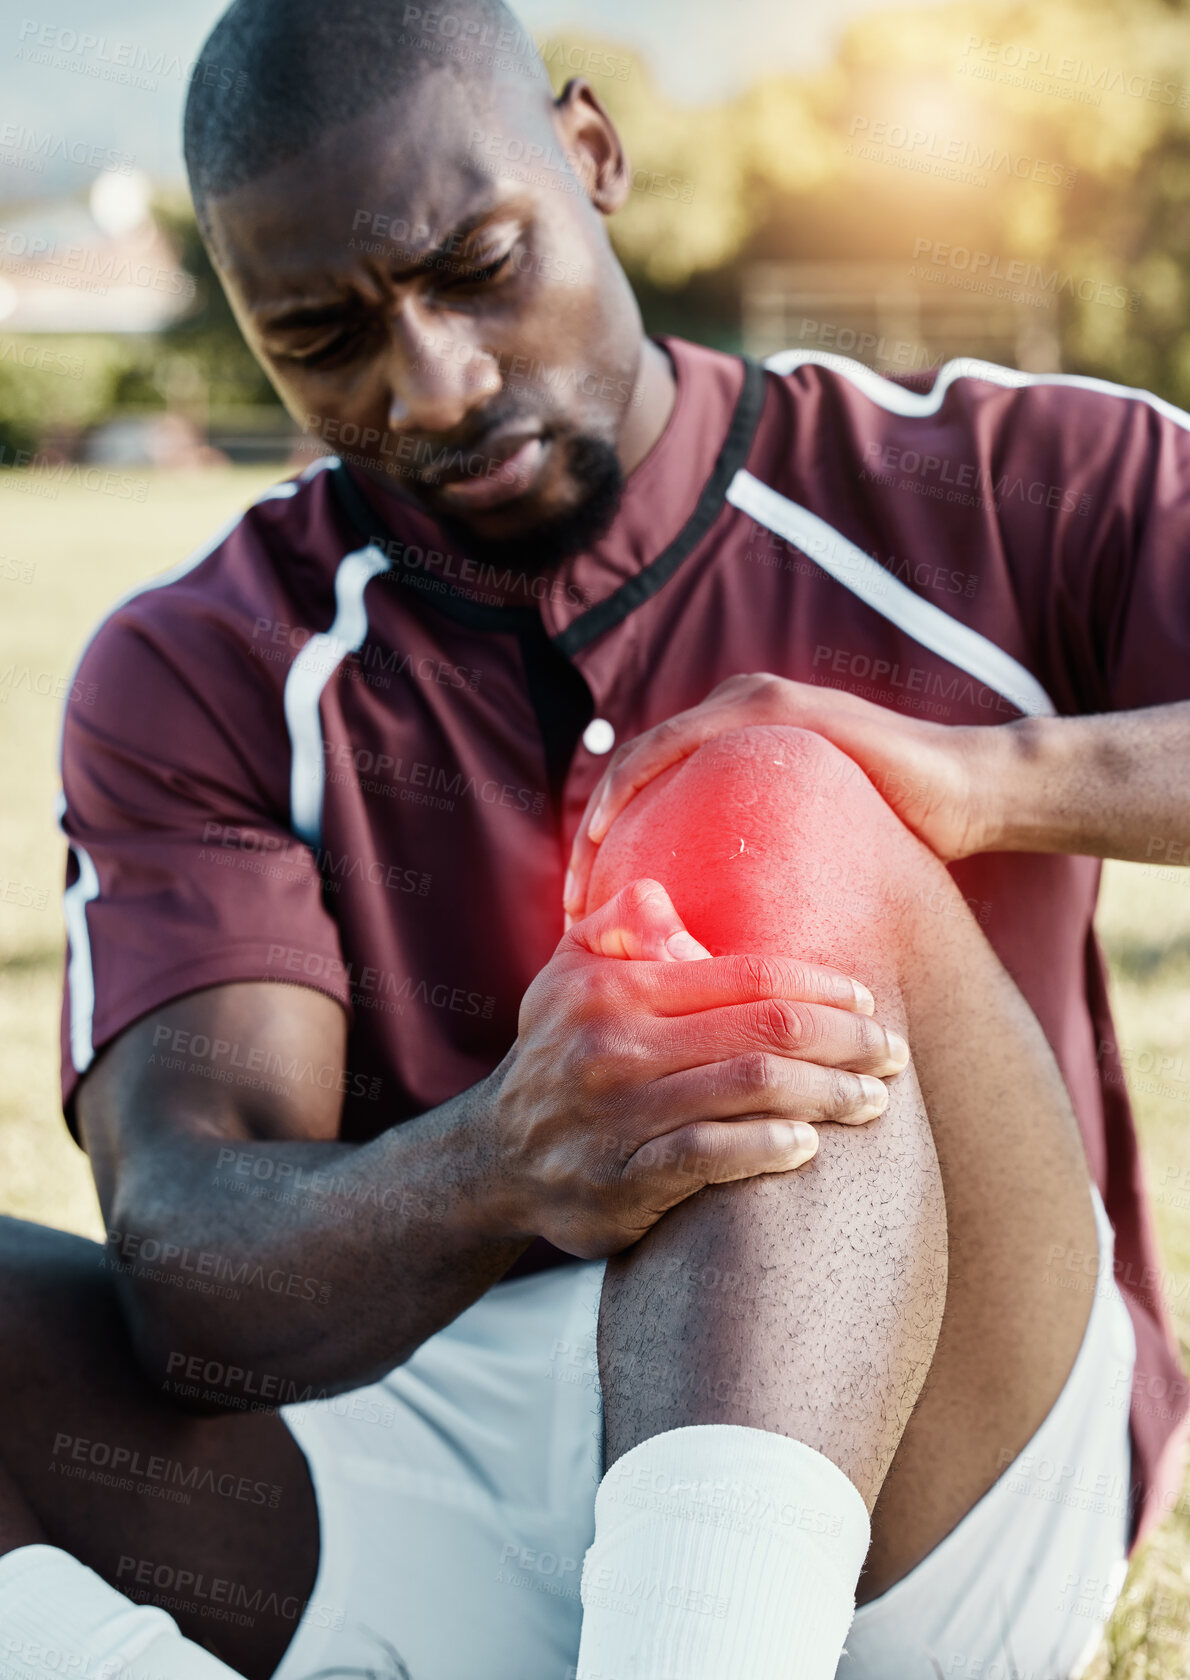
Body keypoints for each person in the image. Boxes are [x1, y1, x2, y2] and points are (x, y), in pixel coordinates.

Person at [1, 0, 1187, 1675]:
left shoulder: (1007, 473)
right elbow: (197, 1269)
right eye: (322, 335)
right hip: (443, 1471)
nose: (434, 382)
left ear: (589, 153)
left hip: (940, 1468)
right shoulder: (203, 662)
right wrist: (500, 1159)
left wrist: (980, 784)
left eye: (479, 265)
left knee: (763, 799)